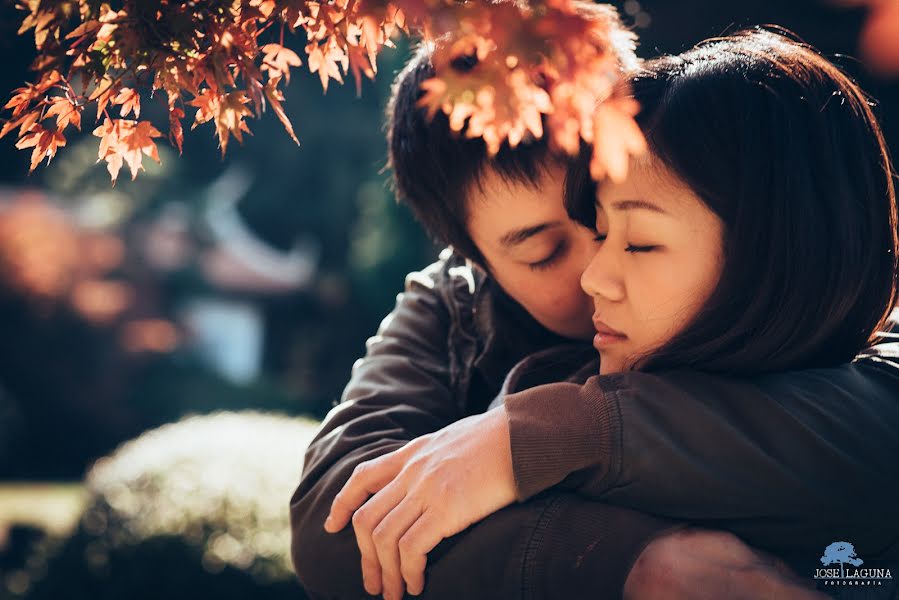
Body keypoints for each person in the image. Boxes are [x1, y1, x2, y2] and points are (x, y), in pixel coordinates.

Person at [290, 18, 899, 600]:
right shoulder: (452, 307)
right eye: (547, 250)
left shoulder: (808, 300)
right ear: (477, 261)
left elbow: (873, 427)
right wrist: (621, 560)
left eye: (620, 223)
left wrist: (541, 440)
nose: (594, 270)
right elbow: (335, 517)